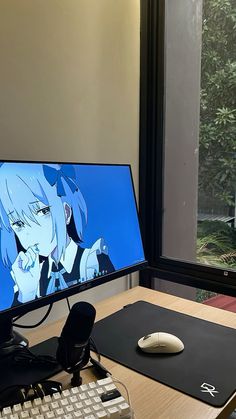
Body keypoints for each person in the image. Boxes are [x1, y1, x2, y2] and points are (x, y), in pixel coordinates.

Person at [0, 162, 114, 306]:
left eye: (42, 212)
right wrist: (26, 294)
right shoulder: (30, 277)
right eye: (19, 224)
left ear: (66, 212)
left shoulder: (93, 261)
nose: (31, 233)